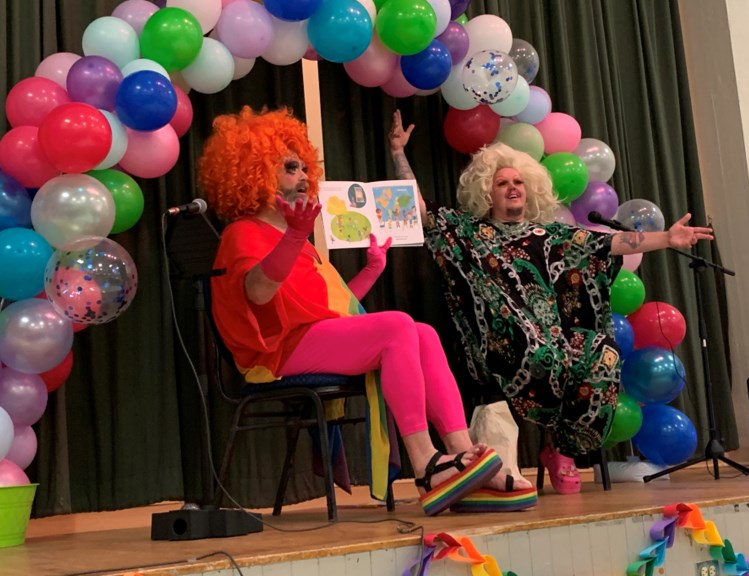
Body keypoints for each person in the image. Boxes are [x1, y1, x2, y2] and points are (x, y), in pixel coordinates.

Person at [197, 106, 538, 516]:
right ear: (254, 172)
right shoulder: (243, 233)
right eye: (291, 167)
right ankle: (426, 464)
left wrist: (373, 269)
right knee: (396, 327)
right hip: (276, 354)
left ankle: (464, 458)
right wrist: (295, 236)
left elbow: (334, 308)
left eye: (305, 167)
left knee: (422, 332)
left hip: (310, 337)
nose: (305, 176)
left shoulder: (296, 240)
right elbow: (257, 292)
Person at [387, 109, 713, 494]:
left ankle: (562, 446)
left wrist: (667, 239)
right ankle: (549, 446)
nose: (513, 187)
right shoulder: (467, 231)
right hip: (495, 344)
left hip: (552, 342)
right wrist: (398, 154)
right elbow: (419, 211)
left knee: (600, 350)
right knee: (543, 353)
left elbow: (610, 243)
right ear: (486, 192)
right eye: (503, 182)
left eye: (519, 182)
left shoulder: (551, 234)